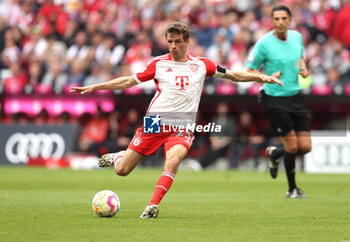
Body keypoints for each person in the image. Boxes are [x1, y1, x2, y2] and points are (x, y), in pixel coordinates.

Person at [71, 22, 283, 218]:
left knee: (172, 162)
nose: (173, 46)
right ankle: (119, 157)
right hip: (154, 122)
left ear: (187, 41)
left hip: (182, 126)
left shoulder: (202, 65)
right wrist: (95, 87)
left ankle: (152, 205)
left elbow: (234, 76)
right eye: (170, 41)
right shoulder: (158, 64)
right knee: (122, 170)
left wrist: (261, 77)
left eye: (177, 41)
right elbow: (128, 81)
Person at [246, 5, 312, 199]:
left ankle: (275, 153)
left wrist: (304, 68)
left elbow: (299, 56)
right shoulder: (264, 43)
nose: (281, 22)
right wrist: (266, 77)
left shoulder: (297, 37)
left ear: (290, 20)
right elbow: (249, 70)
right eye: (277, 19)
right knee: (292, 147)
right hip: (274, 98)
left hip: (295, 95)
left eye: (284, 18)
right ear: (272, 21)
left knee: (306, 147)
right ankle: (292, 189)